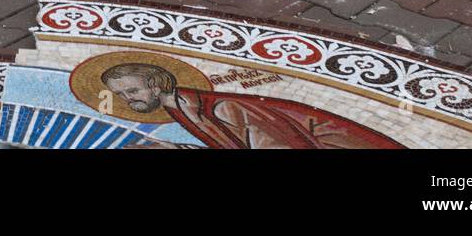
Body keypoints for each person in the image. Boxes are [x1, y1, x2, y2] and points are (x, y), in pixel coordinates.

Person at [100, 62, 403, 149]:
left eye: (132, 91)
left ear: (155, 85)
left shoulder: (222, 109)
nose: (129, 100)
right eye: (122, 96)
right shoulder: (184, 109)